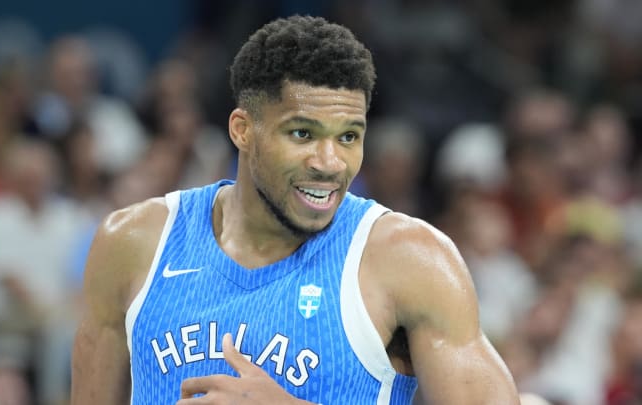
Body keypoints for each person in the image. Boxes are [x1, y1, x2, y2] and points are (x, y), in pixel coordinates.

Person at [71, 15, 520, 404]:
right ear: (243, 130)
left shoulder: (407, 258)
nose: (329, 164)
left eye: (348, 136)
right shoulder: (133, 243)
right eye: (302, 134)